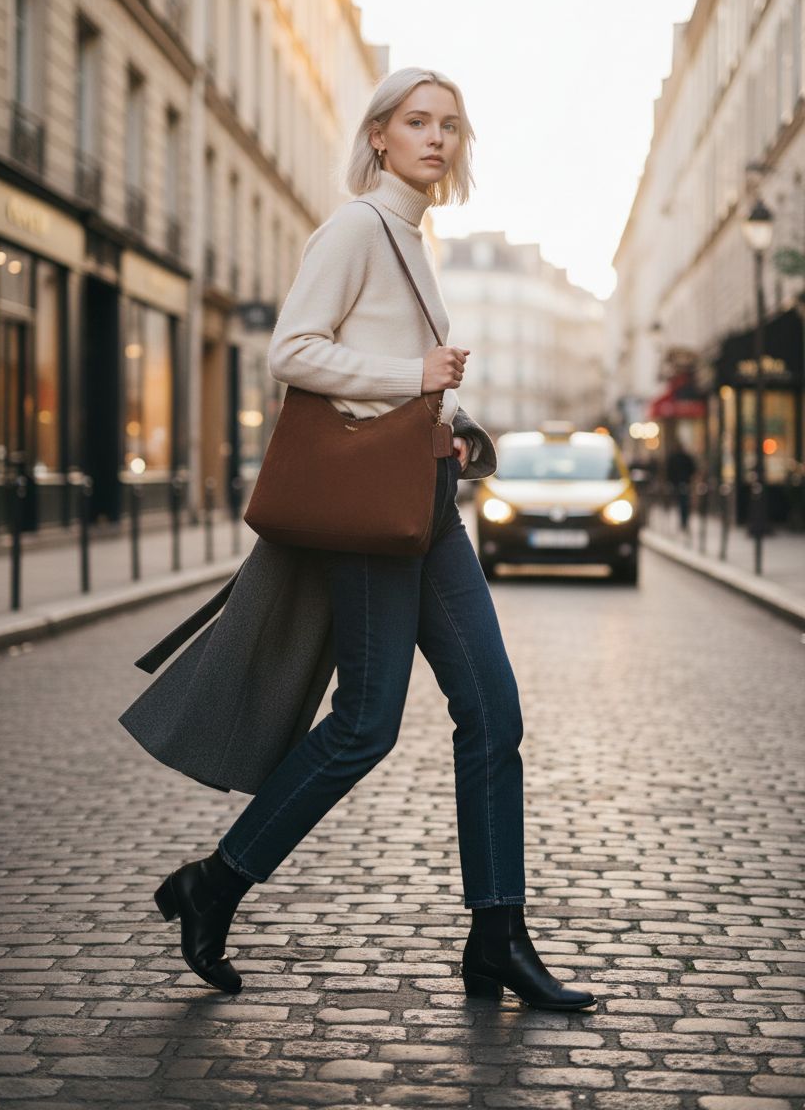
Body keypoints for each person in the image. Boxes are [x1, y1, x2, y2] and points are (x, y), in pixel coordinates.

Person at [151, 67, 597, 1013]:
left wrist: (454, 417)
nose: (438, 139)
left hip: (428, 504)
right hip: (371, 514)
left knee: (495, 713)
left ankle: (497, 936)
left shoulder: (412, 238)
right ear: (382, 136)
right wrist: (413, 372)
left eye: (452, 126)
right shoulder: (357, 227)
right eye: (418, 122)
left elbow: (406, 377)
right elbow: (293, 352)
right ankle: (215, 883)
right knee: (365, 724)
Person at [666, 439, 697, 532]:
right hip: (684, 482)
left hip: (678, 483)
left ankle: (683, 521)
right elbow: (693, 469)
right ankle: (684, 521)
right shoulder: (684, 457)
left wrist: (671, 481)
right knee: (683, 503)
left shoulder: (675, 458)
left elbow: (669, 471)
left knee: (681, 503)